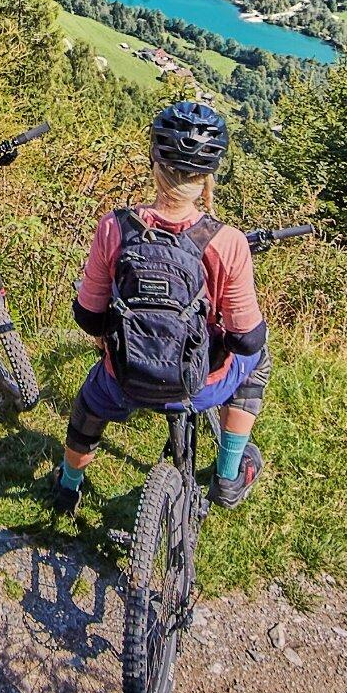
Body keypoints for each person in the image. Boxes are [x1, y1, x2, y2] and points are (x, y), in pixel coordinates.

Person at [50, 98, 269, 514]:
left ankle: (68, 486)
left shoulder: (115, 227)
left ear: (154, 163)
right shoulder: (227, 242)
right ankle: (227, 476)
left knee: (88, 407)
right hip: (199, 384)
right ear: (208, 177)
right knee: (258, 360)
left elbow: (89, 314)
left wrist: (111, 341)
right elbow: (245, 338)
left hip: (125, 378)